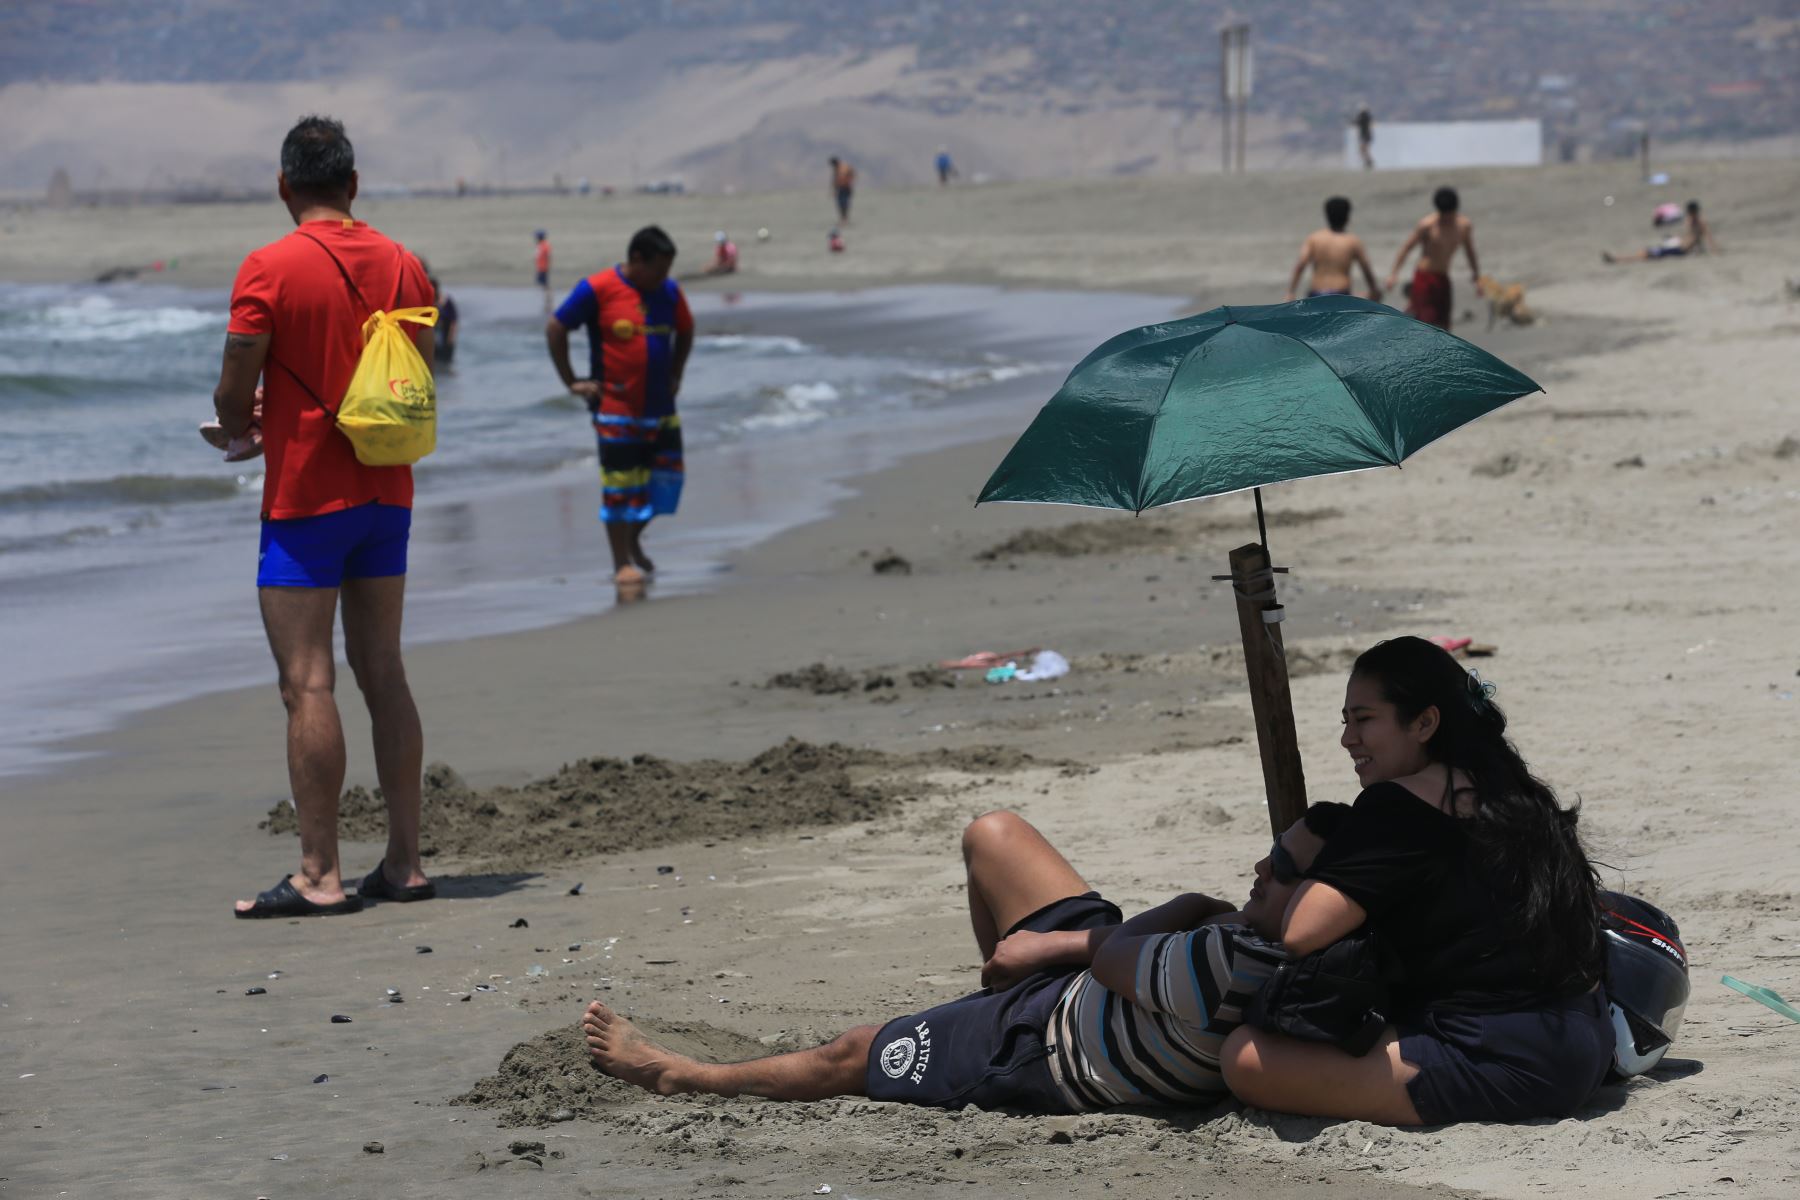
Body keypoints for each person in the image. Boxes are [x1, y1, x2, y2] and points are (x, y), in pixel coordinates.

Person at [581, 805, 1347, 1112]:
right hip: (1100, 990)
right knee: (993, 834)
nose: (1260, 866)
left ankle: (681, 1075)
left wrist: (1190, 901)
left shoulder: (1232, 957)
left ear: (1319, 899)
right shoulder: (1265, 944)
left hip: (1051, 1046)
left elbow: (1117, 954)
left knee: (852, 1052)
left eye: (1281, 864)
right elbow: (1131, 957)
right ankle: (977, 1011)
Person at [1219, 636, 1613, 1125]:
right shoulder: (1511, 789)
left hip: (1507, 1059)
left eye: (1364, 720)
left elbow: (1301, 931)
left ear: (1424, 723)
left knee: (1245, 1057)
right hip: (1585, 1036)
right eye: (1345, 722)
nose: (1348, 739)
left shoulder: (1397, 804)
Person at [215, 115, 437, 919]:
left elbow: (235, 385)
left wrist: (241, 424)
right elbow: (407, 378)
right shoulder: (406, 264)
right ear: (353, 183)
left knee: (307, 682)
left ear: (284, 186)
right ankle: (405, 865)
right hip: (387, 492)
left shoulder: (268, 267)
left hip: (307, 497)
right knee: (385, 672)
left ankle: (320, 875)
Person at [544, 225, 694, 592]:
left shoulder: (669, 292)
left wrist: (676, 371)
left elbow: (687, 330)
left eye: (668, 269)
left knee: (667, 481)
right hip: (616, 407)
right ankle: (621, 561)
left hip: (661, 406)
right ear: (637, 259)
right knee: (620, 487)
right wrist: (571, 381)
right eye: (659, 269)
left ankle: (633, 539)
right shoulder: (597, 288)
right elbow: (556, 328)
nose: (664, 277)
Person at [1385, 186, 1479, 332]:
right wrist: (1393, 274)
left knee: (1444, 326)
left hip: (1443, 279)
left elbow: (1470, 251)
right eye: (1443, 215)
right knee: (1425, 324)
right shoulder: (1427, 225)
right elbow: (1407, 248)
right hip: (1424, 278)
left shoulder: (1463, 226)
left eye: (1449, 215)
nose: (1446, 219)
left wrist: (1476, 276)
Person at [1286, 196, 1382, 302]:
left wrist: (1291, 291)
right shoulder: (1352, 241)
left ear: (1327, 215)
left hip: (1316, 293)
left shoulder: (1314, 238)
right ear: (1347, 217)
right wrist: (1373, 289)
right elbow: (1366, 269)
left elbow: (1301, 264)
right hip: (1341, 294)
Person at [1603, 200, 1720, 264]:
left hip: (1680, 250)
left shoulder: (1700, 223)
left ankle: (1616, 259)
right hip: (1678, 247)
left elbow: (1707, 238)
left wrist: (1713, 251)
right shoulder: (1691, 221)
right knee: (1647, 251)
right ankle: (1616, 258)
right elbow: (1695, 238)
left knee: (1646, 254)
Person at [430, 272, 459, 369]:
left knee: (446, 363)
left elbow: (453, 321)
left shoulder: (446, 301)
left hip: (445, 337)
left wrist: (451, 338)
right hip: (433, 339)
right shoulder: (427, 302)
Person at [829, 156, 856, 223]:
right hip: (840, 188)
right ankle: (843, 219)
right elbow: (835, 180)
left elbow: (852, 174)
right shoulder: (836, 169)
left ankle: (845, 219)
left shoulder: (844, 167)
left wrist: (848, 181)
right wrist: (834, 189)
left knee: (845, 203)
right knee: (840, 204)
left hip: (846, 188)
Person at [534, 229, 552, 307]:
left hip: (543, 267)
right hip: (540, 267)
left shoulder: (544, 245)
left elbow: (548, 256)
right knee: (542, 283)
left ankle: (548, 298)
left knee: (545, 284)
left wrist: (547, 265)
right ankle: (547, 299)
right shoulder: (540, 245)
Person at [1353, 106, 1374, 170]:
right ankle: (1368, 162)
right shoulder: (1366, 116)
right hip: (1366, 135)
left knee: (1363, 149)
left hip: (1365, 135)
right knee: (1363, 150)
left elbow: (1357, 122)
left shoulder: (1363, 116)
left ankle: (1368, 162)